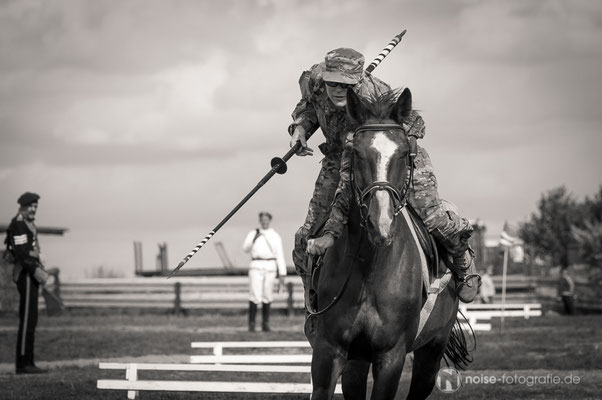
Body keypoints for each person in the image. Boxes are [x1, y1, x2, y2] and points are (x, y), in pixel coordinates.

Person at [289, 48, 480, 311]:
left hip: (392, 156)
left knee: (432, 218)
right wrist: (300, 128)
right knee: (306, 237)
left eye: (345, 85)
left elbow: (416, 126)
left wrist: (385, 128)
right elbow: (309, 107)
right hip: (340, 156)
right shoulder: (314, 80)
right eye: (332, 82)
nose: (336, 89)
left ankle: (462, 260)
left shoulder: (375, 93)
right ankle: (314, 293)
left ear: (358, 80)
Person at [4, 192, 48, 374]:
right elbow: (22, 253)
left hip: (32, 274)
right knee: (28, 320)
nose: (33, 209)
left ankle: (28, 361)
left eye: (35, 207)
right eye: (31, 206)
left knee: (32, 320)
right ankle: (23, 363)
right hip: (27, 274)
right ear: (22, 206)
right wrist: (37, 272)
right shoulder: (19, 224)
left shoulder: (28, 224)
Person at [242, 212, 286, 332]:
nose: (264, 221)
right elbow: (245, 248)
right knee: (255, 295)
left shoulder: (275, 235)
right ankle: (251, 324)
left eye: (266, 219)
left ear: (269, 220)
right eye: (262, 219)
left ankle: (265, 324)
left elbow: (279, 254)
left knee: (267, 295)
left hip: (270, 266)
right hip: (256, 265)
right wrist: (253, 239)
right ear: (260, 220)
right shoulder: (253, 233)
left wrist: (282, 272)